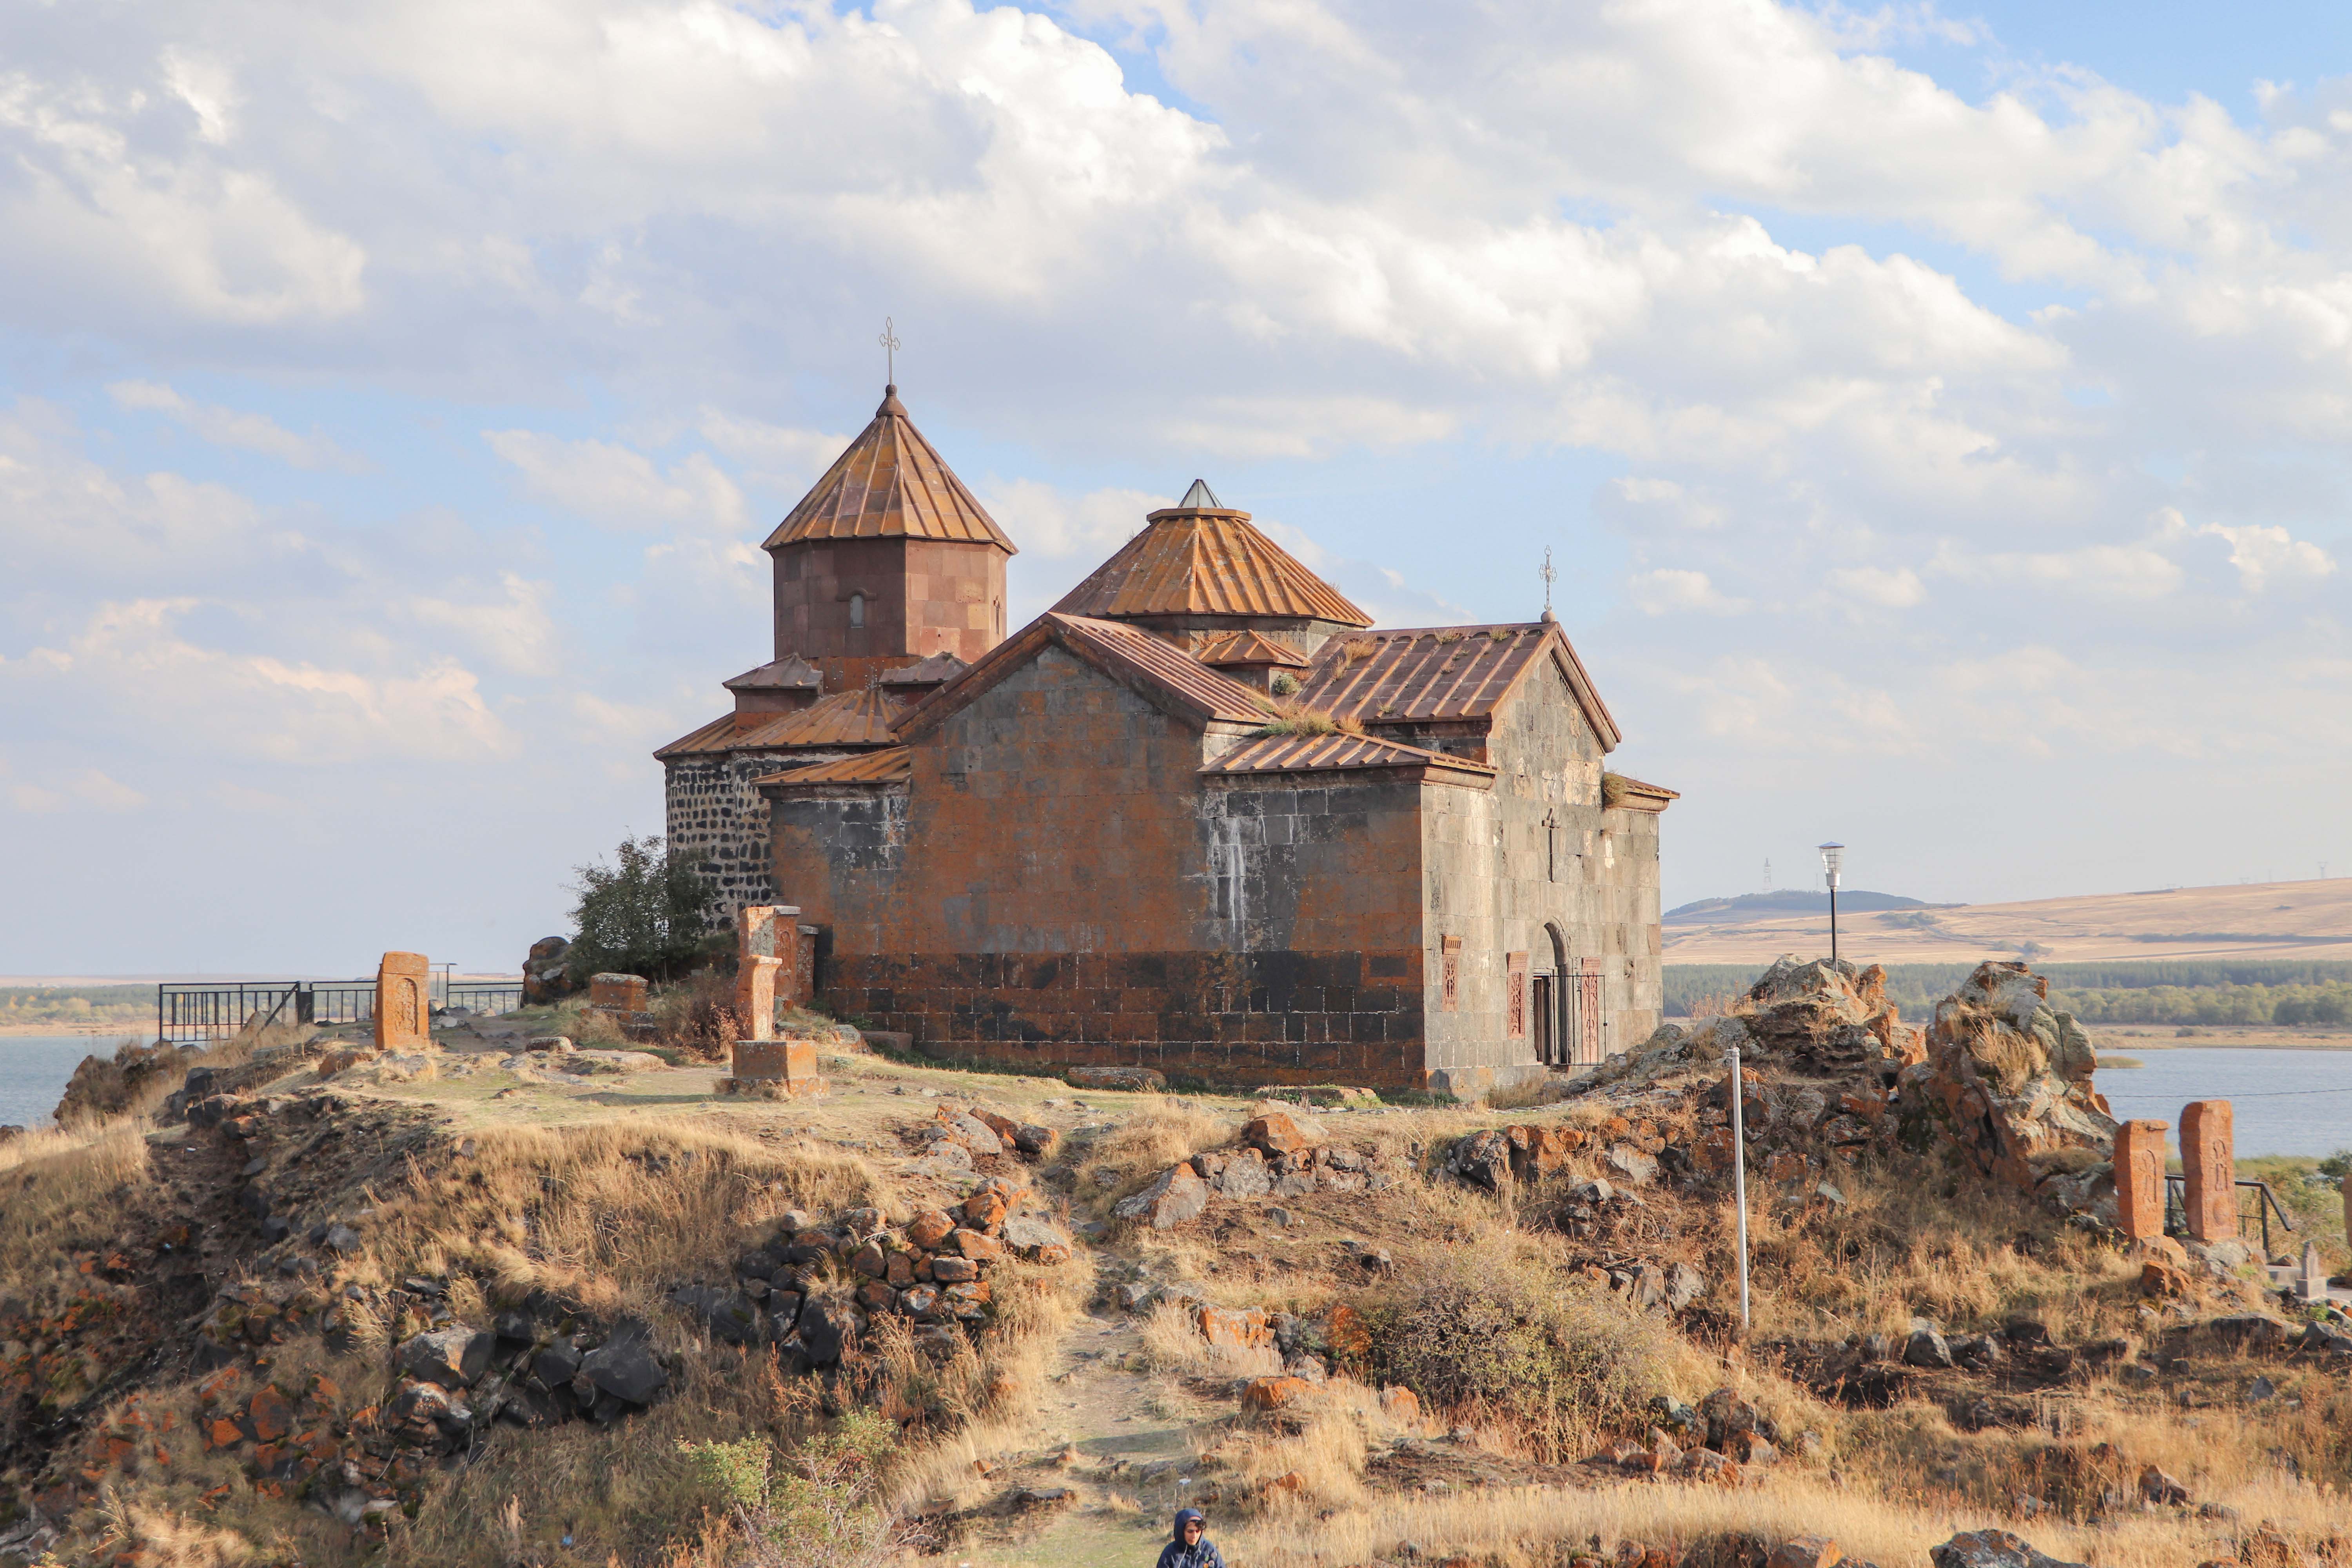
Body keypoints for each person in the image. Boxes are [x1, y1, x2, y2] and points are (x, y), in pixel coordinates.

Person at [1155, 1506, 1223, 1568]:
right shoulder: (1170, 1554)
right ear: (1181, 1531)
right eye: (1190, 1532)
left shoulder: (1209, 1550)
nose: (1194, 1536)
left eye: (1198, 1531)